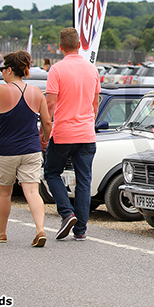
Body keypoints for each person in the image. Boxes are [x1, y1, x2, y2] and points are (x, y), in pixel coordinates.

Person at [0, 50, 52, 247]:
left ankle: (2, 232)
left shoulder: (1, 90)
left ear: (8, 70)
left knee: (4, 193)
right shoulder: (36, 92)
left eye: (2, 69)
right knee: (32, 191)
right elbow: (47, 122)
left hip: (5, 150)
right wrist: (45, 141)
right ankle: (40, 229)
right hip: (31, 149)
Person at [43, 27, 101, 241]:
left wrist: (45, 128)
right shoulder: (92, 69)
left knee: (51, 172)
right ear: (79, 45)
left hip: (63, 132)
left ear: (60, 47)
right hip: (86, 133)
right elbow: (95, 102)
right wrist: (89, 122)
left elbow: (50, 104)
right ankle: (81, 230)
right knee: (84, 180)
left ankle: (67, 213)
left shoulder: (56, 70)